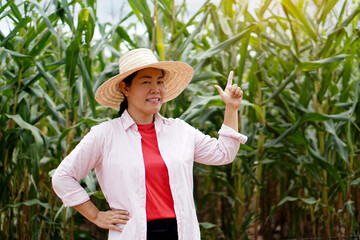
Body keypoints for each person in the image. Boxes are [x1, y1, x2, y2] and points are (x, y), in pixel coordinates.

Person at [52, 48, 248, 240]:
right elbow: (62, 177)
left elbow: (224, 154)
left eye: (160, 82)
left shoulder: (181, 131)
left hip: (181, 231)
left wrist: (231, 108)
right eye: (146, 82)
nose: (156, 89)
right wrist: (95, 215)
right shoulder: (104, 135)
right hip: (133, 233)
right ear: (125, 88)